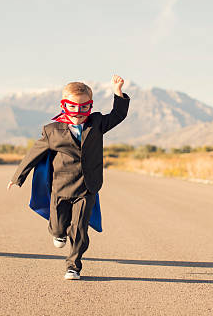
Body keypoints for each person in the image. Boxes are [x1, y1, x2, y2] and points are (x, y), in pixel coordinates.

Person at [8, 75, 130, 280]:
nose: (78, 113)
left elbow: (118, 114)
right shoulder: (51, 131)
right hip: (60, 186)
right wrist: (17, 177)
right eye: (73, 107)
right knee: (58, 226)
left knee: (80, 228)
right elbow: (33, 154)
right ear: (64, 106)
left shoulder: (97, 123)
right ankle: (58, 233)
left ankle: (73, 265)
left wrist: (118, 92)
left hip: (87, 186)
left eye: (84, 107)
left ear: (90, 107)